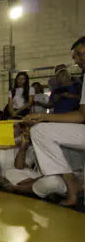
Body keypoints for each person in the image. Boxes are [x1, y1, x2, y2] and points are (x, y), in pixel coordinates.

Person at [23, 36, 85, 207]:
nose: (78, 61)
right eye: (76, 57)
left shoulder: (76, 84)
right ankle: (69, 180)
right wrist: (42, 116)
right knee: (40, 131)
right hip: (75, 124)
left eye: (81, 55)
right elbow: (81, 115)